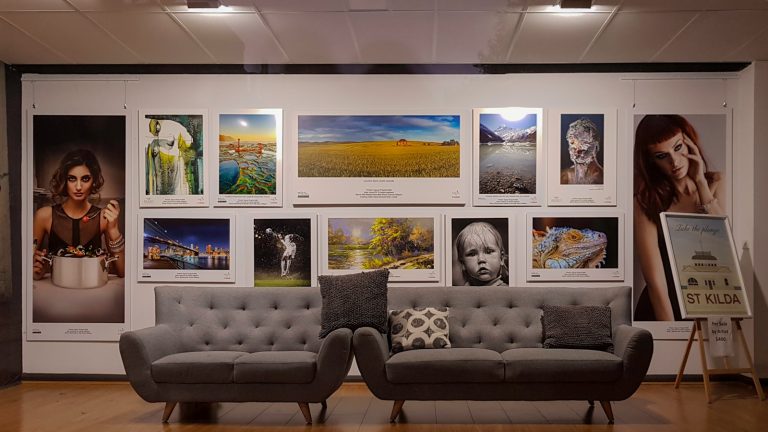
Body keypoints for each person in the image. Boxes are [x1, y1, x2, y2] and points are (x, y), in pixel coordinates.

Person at [633, 115, 723, 321]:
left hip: (711, 300)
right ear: (651, 161)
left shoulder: (717, 183)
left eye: (678, 147)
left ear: (689, 142)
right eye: (661, 156)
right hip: (663, 308)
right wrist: (670, 331)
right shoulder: (646, 202)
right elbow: (655, 282)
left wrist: (701, 182)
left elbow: (724, 247)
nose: (674, 162)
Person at [33, 149, 125, 280]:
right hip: (56, 290)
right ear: (65, 181)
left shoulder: (103, 217)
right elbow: (28, 265)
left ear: (94, 181)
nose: (78, 187)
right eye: (72, 179)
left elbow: (123, 272)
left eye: (85, 179)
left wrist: (114, 230)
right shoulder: (44, 216)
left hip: (92, 289)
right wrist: (35, 268)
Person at [454, 221, 508, 286]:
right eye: (472, 254)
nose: (481, 259)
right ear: (463, 263)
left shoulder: (506, 291)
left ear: (501, 258)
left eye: (488, 252)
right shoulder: (461, 292)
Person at [560, 117, 604, 185]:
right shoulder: (563, 177)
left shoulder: (602, 179)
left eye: (583, 147)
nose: (576, 153)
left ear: (595, 147)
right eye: (572, 143)